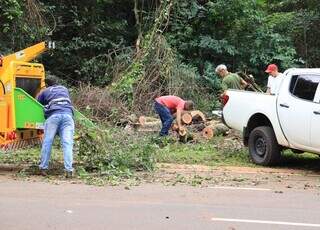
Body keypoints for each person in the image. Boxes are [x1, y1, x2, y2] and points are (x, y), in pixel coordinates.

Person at [37, 77, 75, 178]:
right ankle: (69, 170)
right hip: (68, 116)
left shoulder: (45, 91)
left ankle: (43, 168)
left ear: (47, 85)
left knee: (48, 142)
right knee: (67, 143)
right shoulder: (64, 89)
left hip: (54, 116)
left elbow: (37, 103)